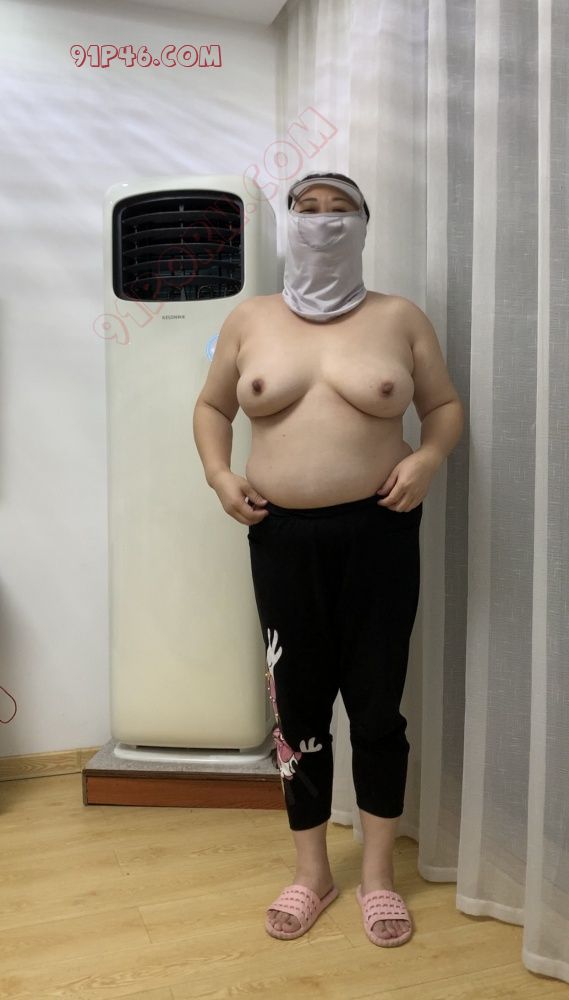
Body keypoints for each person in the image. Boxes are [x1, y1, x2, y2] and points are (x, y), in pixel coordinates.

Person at [193, 171, 464, 946]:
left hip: (379, 533)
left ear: (363, 226)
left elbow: (441, 406)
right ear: (288, 225)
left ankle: (378, 876)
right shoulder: (249, 319)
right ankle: (311, 872)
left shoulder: (398, 318)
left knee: (376, 707)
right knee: (298, 707)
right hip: (281, 538)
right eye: (307, 209)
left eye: (339, 210)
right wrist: (219, 475)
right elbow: (212, 406)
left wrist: (427, 459)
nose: (322, 222)